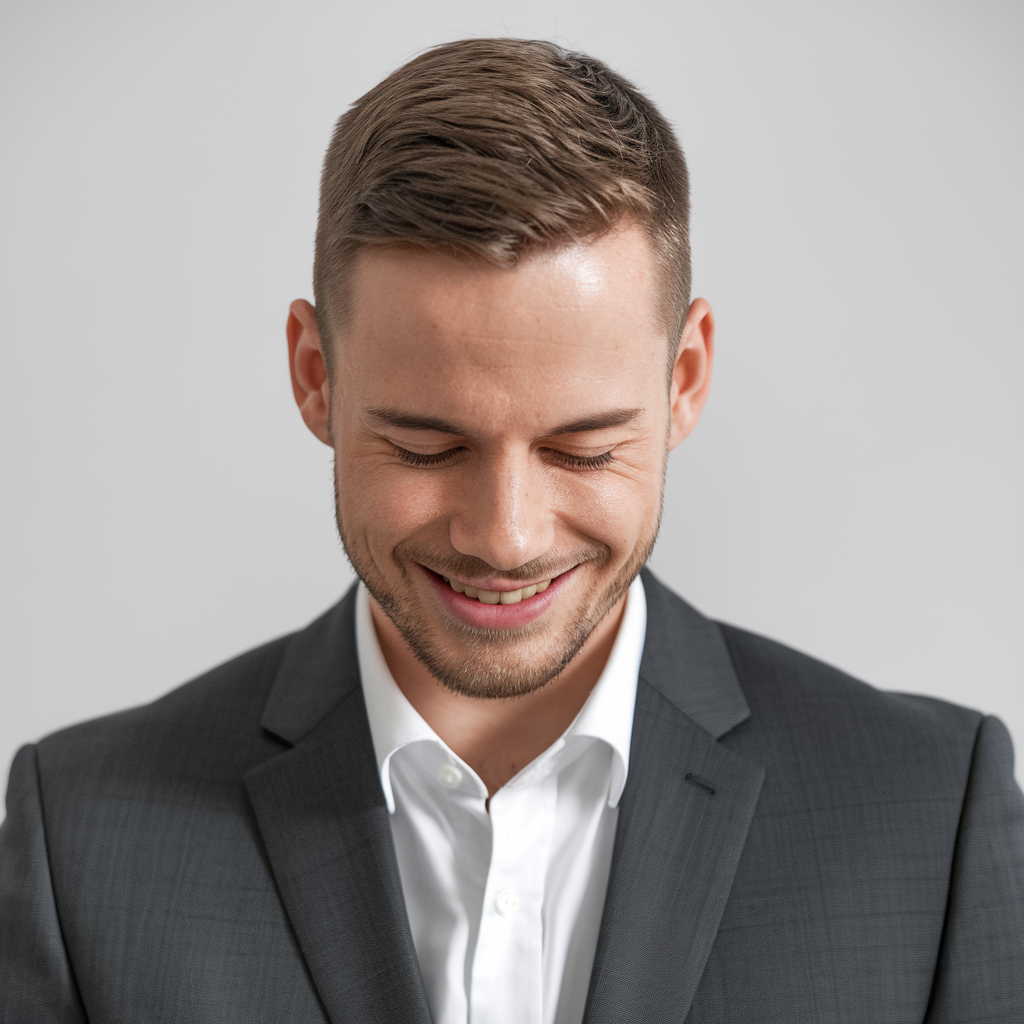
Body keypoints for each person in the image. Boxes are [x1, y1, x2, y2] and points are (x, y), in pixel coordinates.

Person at [1, 36, 1021, 1024]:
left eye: (582, 449)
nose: (506, 537)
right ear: (316, 376)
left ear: (686, 380)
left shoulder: (929, 816)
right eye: (426, 446)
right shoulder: (81, 839)